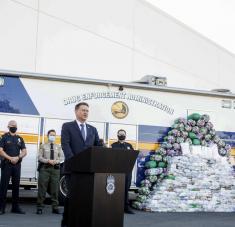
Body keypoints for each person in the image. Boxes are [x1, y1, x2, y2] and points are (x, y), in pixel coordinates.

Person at [61, 102, 100, 227]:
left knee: (85, 199)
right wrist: (74, 162)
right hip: (73, 170)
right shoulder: (67, 126)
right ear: (76, 111)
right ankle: (66, 223)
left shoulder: (92, 129)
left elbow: (97, 147)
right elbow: (65, 145)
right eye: (83, 110)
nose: (85, 113)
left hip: (88, 171)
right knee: (71, 198)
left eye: (87, 111)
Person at [0, 120, 27, 215]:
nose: (14, 127)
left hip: (16, 165)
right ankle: (1, 208)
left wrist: (18, 157)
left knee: (16, 187)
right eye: (12, 125)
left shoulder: (20, 138)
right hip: (6, 164)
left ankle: (15, 207)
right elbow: (1, 151)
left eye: (15, 125)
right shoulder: (4, 137)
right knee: (4, 187)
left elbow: (24, 151)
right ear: (8, 126)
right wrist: (10, 158)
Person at [36, 129, 63, 215]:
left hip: (55, 169)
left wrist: (56, 161)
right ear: (48, 136)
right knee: (42, 188)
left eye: (54, 135)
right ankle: (39, 207)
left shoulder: (58, 146)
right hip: (45, 169)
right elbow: (39, 157)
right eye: (51, 135)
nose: (53, 136)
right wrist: (48, 161)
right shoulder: (43, 146)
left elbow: (61, 158)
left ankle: (55, 207)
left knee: (55, 189)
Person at [111, 129, 135, 214]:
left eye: (123, 134)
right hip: (117, 171)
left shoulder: (129, 145)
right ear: (117, 135)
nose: (121, 135)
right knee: (116, 189)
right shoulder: (113, 145)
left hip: (127, 171)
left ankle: (126, 207)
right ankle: (116, 207)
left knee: (125, 190)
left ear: (125, 135)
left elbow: (133, 157)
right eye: (120, 134)